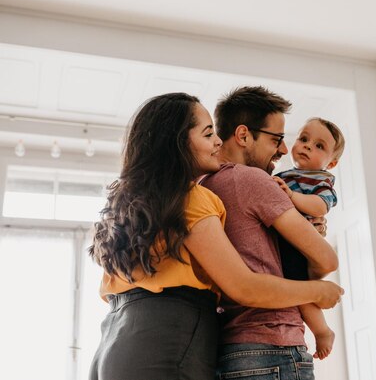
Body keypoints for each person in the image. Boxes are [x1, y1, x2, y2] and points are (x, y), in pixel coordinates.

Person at [87, 92, 343, 380]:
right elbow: (245, 285)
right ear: (179, 141)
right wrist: (319, 291)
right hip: (175, 340)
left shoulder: (137, 202)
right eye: (208, 134)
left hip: (116, 340)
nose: (218, 142)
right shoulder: (194, 197)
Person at [201, 86, 338, 380]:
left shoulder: (202, 186)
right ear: (243, 135)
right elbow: (327, 261)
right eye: (276, 139)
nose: (285, 150)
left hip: (227, 347)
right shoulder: (253, 180)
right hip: (273, 345)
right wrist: (310, 247)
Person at [272, 117, 345, 360]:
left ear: (331, 163)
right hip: (284, 241)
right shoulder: (284, 174)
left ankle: (322, 331)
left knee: (301, 290)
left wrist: (291, 196)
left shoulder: (322, 181)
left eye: (319, 146)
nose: (307, 146)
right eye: (303, 139)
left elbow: (319, 207)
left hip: (299, 245)